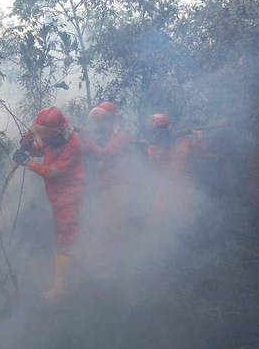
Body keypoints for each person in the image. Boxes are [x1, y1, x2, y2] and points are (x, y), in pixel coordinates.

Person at [12, 106, 85, 299]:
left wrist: (27, 163)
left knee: (65, 238)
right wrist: (27, 142)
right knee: (63, 235)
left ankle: (62, 286)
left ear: (56, 131)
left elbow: (53, 172)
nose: (43, 138)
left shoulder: (73, 144)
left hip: (69, 197)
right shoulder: (54, 138)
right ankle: (74, 275)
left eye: (45, 134)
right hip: (56, 196)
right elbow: (37, 149)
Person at [142, 113, 204, 224]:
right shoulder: (154, 148)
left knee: (183, 213)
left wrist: (196, 137)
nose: (160, 133)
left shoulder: (181, 142)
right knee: (161, 212)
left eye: (162, 129)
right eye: (159, 130)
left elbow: (199, 153)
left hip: (181, 182)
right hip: (168, 181)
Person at [81, 101, 131, 238]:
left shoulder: (122, 136)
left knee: (113, 228)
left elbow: (104, 153)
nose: (99, 126)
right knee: (99, 225)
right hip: (104, 187)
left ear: (112, 121)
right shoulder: (102, 137)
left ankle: (115, 256)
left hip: (117, 188)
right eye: (98, 122)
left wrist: (85, 138)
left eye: (103, 122)